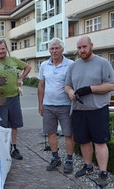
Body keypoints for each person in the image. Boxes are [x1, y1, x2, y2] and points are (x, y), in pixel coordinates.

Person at [64, 36, 114, 187]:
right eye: (79, 48)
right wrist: (70, 92)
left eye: (84, 47)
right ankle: (88, 166)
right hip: (79, 110)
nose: (81, 50)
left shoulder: (102, 63)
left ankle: (103, 172)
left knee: (100, 142)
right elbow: (67, 85)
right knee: (83, 141)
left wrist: (91, 89)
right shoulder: (73, 66)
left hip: (97, 109)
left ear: (91, 46)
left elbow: (112, 85)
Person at [38, 38, 75, 173]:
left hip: (65, 105)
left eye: (57, 48)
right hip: (48, 105)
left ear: (62, 50)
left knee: (68, 134)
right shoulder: (44, 65)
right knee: (51, 132)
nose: (54, 51)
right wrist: (40, 104)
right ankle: (55, 157)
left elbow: (74, 84)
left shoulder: (71, 64)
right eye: (52, 49)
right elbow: (41, 85)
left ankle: (69, 160)